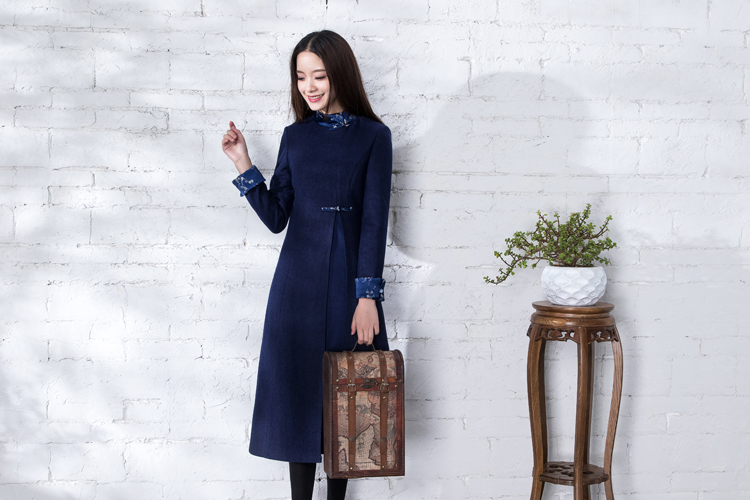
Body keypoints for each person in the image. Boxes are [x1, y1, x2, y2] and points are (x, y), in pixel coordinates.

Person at [221, 30, 392, 500]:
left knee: (347, 400)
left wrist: (367, 296)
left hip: (348, 289)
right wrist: (243, 163)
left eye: (319, 75)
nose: (309, 86)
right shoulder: (294, 137)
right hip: (294, 288)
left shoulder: (374, 136)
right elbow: (277, 216)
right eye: (300, 77)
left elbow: (375, 219)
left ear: (340, 74)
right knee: (297, 399)